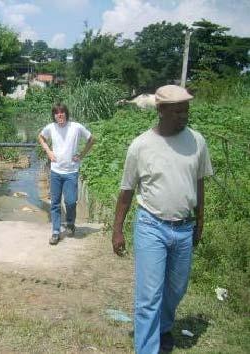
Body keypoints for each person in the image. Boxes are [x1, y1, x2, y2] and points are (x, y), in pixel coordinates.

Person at [111, 85, 213, 353]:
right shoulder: (141, 146)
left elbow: (199, 183)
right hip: (150, 226)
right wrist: (117, 230)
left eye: (186, 111)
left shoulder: (197, 141)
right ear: (161, 110)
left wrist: (200, 222)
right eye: (177, 111)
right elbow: (126, 191)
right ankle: (147, 347)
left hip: (184, 227)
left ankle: (164, 327)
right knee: (149, 297)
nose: (183, 116)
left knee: (176, 289)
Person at [38, 103, 94, 245]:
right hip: (56, 171)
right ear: (54, 115)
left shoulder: (76, 127)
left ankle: (70, 223)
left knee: (70, 201)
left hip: (71, 171)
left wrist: (81, 155)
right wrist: (49, 151)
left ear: (66, 114)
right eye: (57, 113)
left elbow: (91, 139)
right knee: (55, 203)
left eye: (62, 112)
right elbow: (40, 137)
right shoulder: (51, 127)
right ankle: (56, 232)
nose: (60, 115)